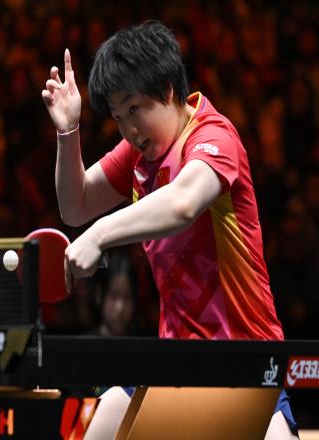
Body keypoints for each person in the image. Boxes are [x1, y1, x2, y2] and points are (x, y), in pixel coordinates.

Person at [42, 20, 298, 439]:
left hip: (248, 362)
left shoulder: (214, 137)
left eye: (134, 109)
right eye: (118, 117)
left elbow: (183, 203)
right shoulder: (136, 155)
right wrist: (68, 132)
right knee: (105, 418)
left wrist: (100, 235)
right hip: (177, 363)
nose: (129, 129)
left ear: (166, 90)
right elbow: (76, 206)